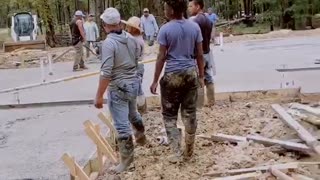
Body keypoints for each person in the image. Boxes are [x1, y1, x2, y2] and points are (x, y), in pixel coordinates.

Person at [150, 0, 204, 163]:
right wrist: (201, 75)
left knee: (169, 115)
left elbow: (161, 57)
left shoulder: (165, 29)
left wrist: (154, 80)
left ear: (172, 10)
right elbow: (199, 54)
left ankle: (176, 151)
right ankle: (189, 148)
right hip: (189, 73)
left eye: (166, 8)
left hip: (172, 75)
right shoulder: (194, 27)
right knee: (189, 112)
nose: (165, 10)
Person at [94, 7, 146, 173]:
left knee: (122, 126)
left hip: (119, 87)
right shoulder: (130, 38)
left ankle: (126, 161)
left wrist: (99, 95)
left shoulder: (109, 43)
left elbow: (106, 72)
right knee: (133, 114)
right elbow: (136, 59)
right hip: (133, 84)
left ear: (106, 25)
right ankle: (141, 137)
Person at [189, 0, 216, 106]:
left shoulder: (195, 22)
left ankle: (199, 103)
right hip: (208, 52)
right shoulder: (208, 20)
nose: (189, 8)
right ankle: (211, 101)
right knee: (208, 77)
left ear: (198, 6)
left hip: (198, 55)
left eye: (191, 6)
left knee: (199, 78)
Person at [121, 16, 147, 114]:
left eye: (129, 27)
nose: (127, 29)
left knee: (137, 89)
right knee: (137, 87)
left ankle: (140, 110)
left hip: (136, 66)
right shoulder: (136, 38)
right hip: (138, 65)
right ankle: (141, 109)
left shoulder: (135, 40)